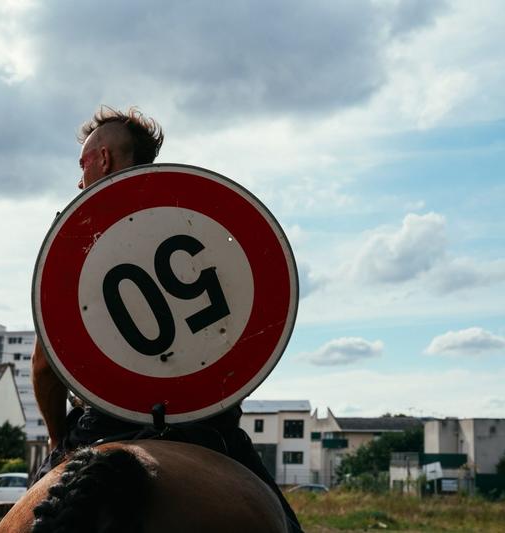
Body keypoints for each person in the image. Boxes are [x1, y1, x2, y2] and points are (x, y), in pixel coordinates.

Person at [31, 106, 303, 532]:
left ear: (103, 159)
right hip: (209, 426)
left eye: (82, 163)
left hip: (104, 422)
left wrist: (55, 438)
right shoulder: (191, 212)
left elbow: (45, 367)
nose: (78, 178)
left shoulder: (78, 227)